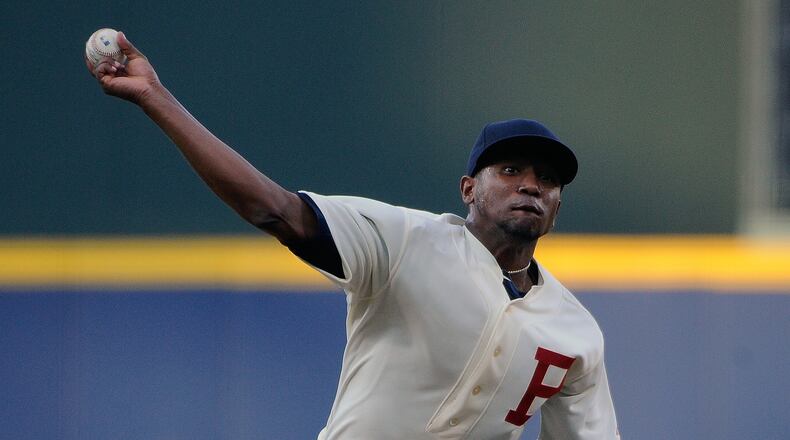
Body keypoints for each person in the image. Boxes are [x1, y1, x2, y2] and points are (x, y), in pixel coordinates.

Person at [87, 32, 620, 440]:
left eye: (547, 180)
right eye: (510, 171)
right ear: (468, 189)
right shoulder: (403, 241)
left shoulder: (575, 332)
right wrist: (156, 98)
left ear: (558, 203)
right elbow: (273, 210)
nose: (531, 185)